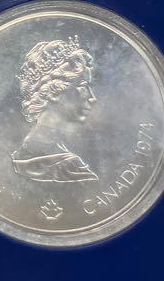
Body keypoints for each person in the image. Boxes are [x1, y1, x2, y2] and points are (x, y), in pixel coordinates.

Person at [11, 36, 99, 183]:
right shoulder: (68, 166)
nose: (92, 97)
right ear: (54, 93)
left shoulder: (24, 153)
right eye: (83, 86)